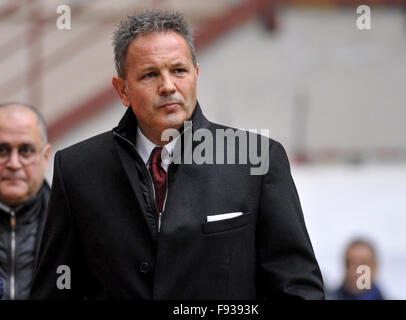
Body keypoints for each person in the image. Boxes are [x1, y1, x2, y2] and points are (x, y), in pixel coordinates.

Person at [29, 10, 324, 299]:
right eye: (150, 74)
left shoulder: (257, 160)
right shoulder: (77, 169)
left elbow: (296, 287)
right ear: (123, 90)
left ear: (195, 75)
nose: (168, 86)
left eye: (179, 70)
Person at [0, 103, 51, 300]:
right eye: (2, 150)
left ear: (45, 157)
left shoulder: (72, 223)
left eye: (25, 150)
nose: (13, 163)